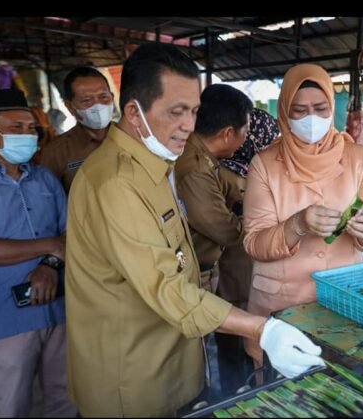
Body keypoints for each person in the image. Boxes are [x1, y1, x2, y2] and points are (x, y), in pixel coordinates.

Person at [65, 42, 325, 418]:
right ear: (134, 113)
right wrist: (261, 330)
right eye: (177, 112)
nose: (189, 124)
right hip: (132, 380)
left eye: (193, 111)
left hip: (167, 365)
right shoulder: (116, 183)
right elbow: (166, 288)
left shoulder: (156, 165)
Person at [242, 63, 363, 367]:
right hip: (281, 308)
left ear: (332, 108)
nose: (312, 117)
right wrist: (297, 225)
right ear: (284, 111)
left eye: (321, 108)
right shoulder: (264, 164)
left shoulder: (358, 159)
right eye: (299, 110)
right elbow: (254, 242)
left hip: (346, 304)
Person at [0, 89, 74, 417]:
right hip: (4, 316)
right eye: (15, 127)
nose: (27, 135)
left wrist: (49, 264)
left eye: (31, 128)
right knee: (11, 403)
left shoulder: (45, 178)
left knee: (65, 399)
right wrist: (47, 245)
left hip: (59, 307)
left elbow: (69, 234)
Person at [215, 108, 279, 392]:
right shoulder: (227, 173)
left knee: (247, 346)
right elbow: (221, 224)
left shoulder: (260, 170)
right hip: (235, 270)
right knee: (237, 344)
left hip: (251, 272)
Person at [173, 83, 253, 294]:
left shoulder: (202, 157)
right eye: (245, 132)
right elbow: (224, 229)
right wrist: (263, 223)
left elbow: (232, 185)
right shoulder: (195, 168)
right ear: (227, 133)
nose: (245, 140)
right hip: (192, 274)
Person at [39, 66, 115, 193]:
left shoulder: (134, 137)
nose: (98, 105)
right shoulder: (56, 152)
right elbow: (49, 200)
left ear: (112, 97)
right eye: (87, 100)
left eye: (103, 97)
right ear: (70, 107)